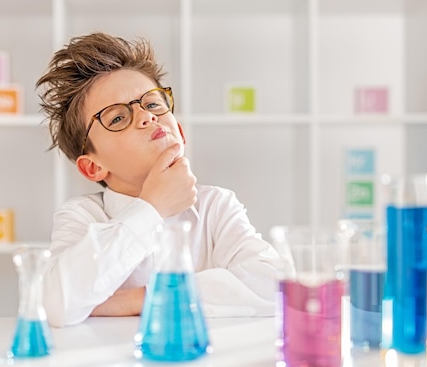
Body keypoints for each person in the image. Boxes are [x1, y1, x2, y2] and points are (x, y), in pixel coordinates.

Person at [35, 32, 283, 327]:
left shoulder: (216, 205)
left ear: (179, 130)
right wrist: (152, 207)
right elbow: (56, 304)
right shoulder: (81, 217)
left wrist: (141, 298)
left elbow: (275, 284)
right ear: (92, 168)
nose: (146, 117)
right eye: (117, 118)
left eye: (153, 104)